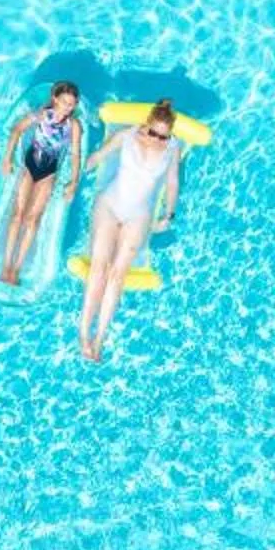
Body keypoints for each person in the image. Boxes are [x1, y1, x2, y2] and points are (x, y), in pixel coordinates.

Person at [76, 98, 184, 362]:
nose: (157, 139)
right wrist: (73, 174)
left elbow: (172, 184)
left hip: (139, 215)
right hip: (110, 205)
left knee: (117, 275)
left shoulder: (172, 149)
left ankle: (99, 338)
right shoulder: (126, 136)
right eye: (153, 132)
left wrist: (168, 214)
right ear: (145, 125)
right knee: (99, 268)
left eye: (163, 136)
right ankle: (83, 333)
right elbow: (98, 157)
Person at [0, 81, 85, 284]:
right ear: (55, 99)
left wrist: (73, 182)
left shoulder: (74, 125)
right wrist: (7, 159)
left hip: (49, 173)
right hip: (29, 167)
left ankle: (16, 269)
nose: (67, 108)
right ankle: (5, 266)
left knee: (33, 220)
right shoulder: (41, 115)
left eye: (71, 104)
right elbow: (16, 131)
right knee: (17, 216)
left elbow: (76, 154)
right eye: (63, 103)